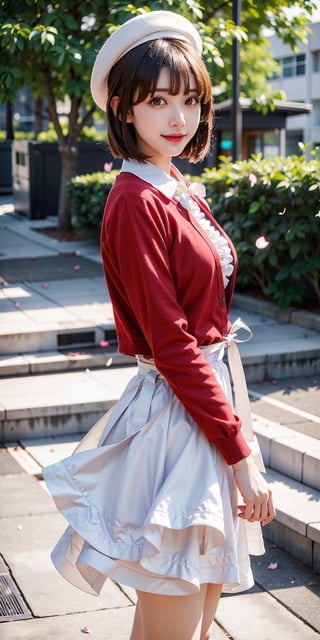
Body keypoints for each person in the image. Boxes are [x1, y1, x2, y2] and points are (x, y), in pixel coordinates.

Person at [43, 10, 275, 640]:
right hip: (178, 418)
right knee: (173, 624)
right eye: (159, 101)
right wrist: (241, 455)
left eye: (191, 100)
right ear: (123, 109)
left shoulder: (175, 186)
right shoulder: (136, 201)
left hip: (207, 405)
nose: (180, 119)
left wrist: (233, 436)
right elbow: (173, 342)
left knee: (188, 622)